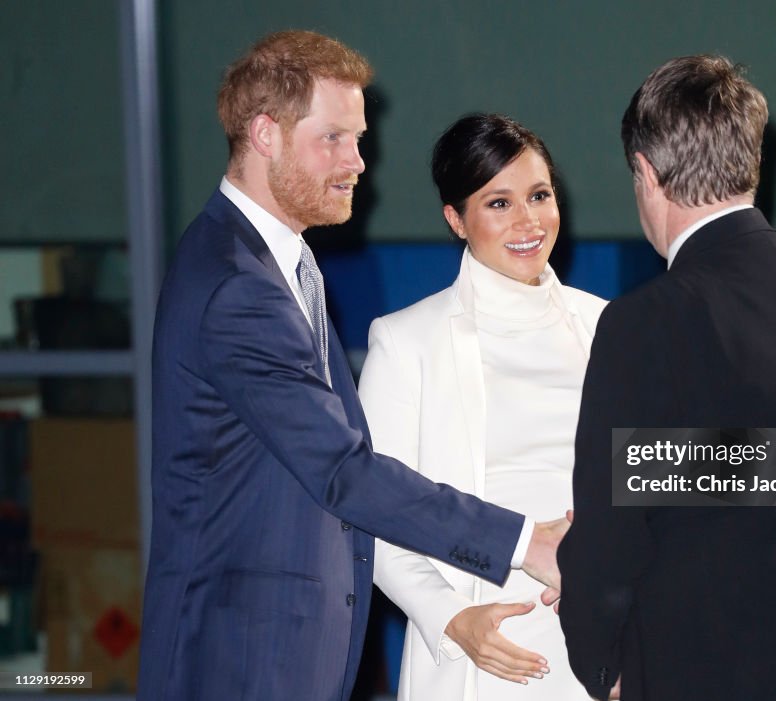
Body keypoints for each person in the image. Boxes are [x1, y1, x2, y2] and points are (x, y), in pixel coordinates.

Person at [138, 32, 566, 701]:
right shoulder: (236, 285)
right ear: (265, 135)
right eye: (334, 138)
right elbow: (344, 471)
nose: (359, 162)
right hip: (241, 662)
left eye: (359, 139)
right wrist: (523, 540)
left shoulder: (278, 265)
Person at [556, 55, 776, 701]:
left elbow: (608, 538)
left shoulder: (645, 320)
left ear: (646, 172)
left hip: (723, 666)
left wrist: (603, 663)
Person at [359, 114, 605, 700]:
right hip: (480, 655)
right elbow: (376, 511)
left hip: (598, 645)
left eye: (539, 196)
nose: (528, 222)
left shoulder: (606, 325)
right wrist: (450, 619)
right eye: (499, 203)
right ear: (456, 219)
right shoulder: (406, 341)